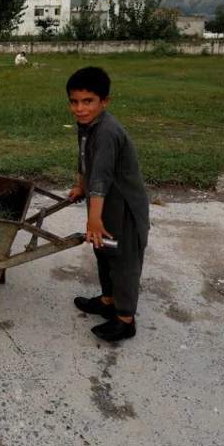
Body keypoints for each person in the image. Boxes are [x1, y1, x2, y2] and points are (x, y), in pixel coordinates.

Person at [66, 66, 150, 342]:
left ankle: (125, 319)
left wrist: (94, 218)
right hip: (102, 202)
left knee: (123, 260)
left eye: (88, 101)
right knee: (103, 251)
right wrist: (81, 187)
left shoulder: (106, 132)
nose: (80, 108)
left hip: (123, 206)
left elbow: (100, 177)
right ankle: (107, 300)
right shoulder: (86, 126)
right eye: (74, 101)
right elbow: (83, 160)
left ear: (105, 102)